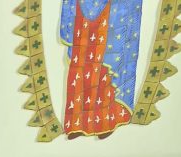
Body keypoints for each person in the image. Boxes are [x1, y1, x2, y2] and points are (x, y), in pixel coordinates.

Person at [60, 0, 140, 139]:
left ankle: (105, 122)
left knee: (105, 65)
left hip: (112, 13)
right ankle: (77, 123)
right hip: (83, 12)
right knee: (81, 62)